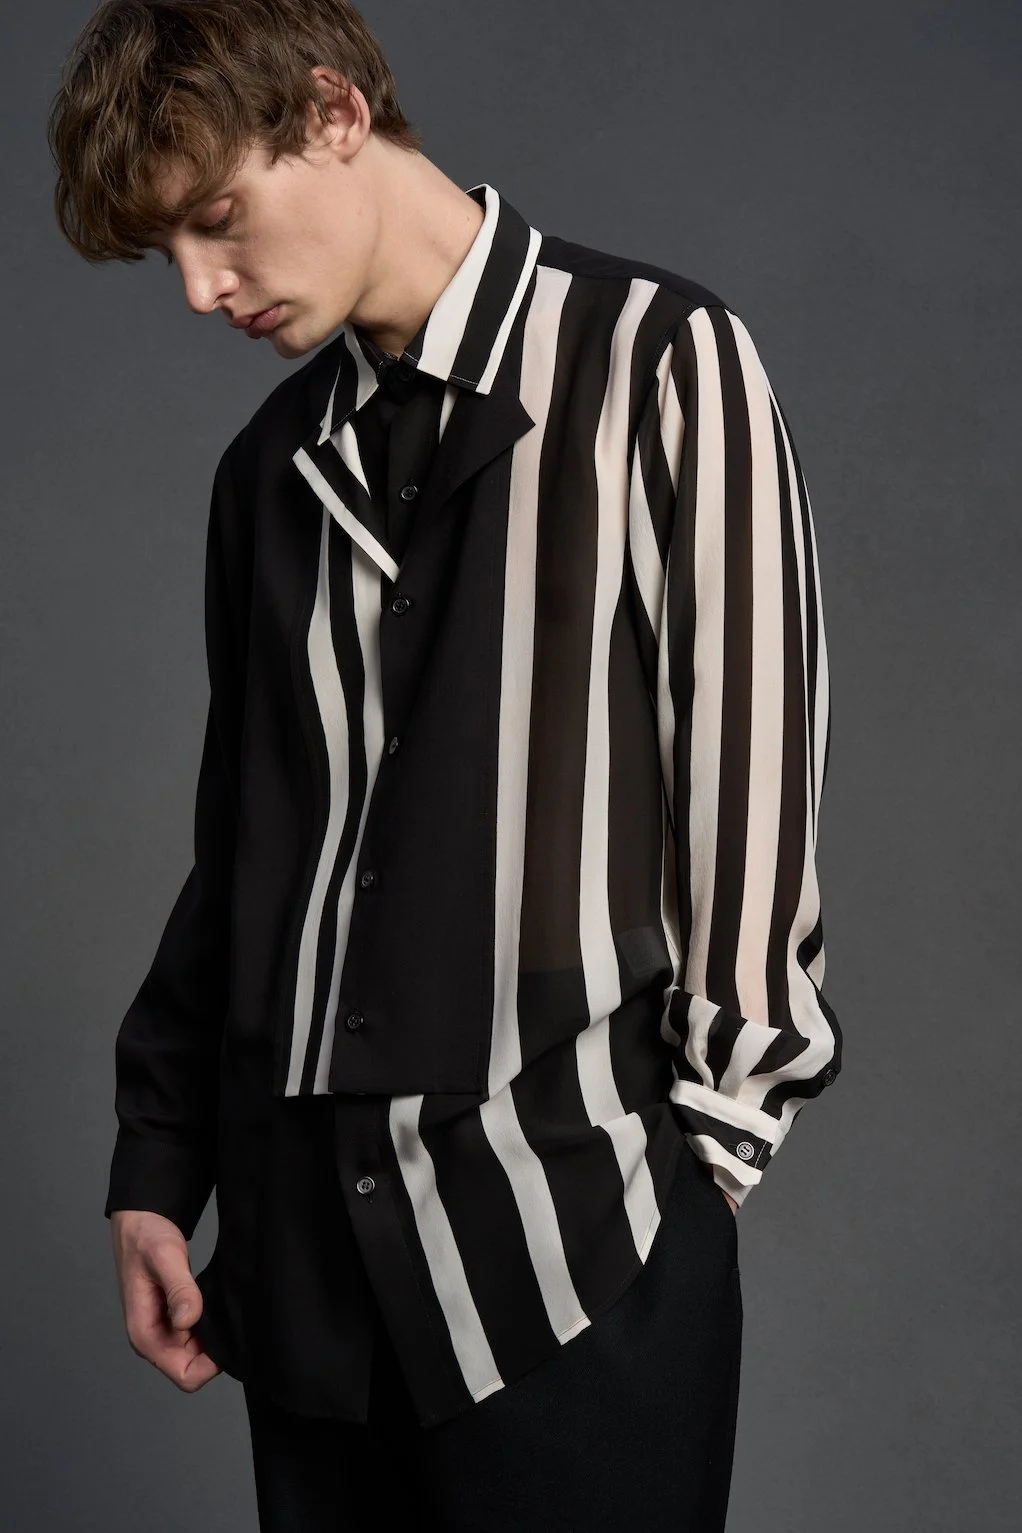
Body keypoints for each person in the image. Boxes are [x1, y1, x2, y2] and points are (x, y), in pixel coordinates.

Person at [49, 1, 843, 1527]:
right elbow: (250, 846)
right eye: (168, 254)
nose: (202, 289)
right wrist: (159, 1165)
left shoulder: (656, 360)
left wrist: (700, 1157)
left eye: (217, 219)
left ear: (334, 113)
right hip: (300, 1278)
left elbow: (752, 770)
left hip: (568, 1245)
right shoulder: (269, 473)